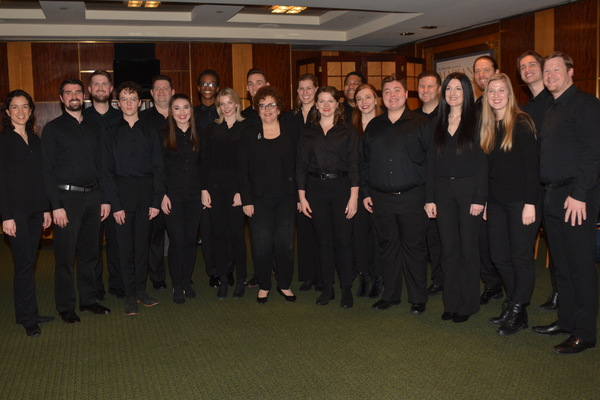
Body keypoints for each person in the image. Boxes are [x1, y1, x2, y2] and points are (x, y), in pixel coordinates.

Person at [531, 52, 600, 354]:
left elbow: (593, 152)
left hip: (576, 196)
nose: (550, 75)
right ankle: (567, 320)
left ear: (571, 72)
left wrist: (581, 193)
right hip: (552, 196)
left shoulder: (586, 104)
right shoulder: (551, 108)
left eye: (556, 70)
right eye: (546, 71)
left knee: (580, 266)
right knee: (561, 266)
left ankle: (584, 333)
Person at [41, 78, 113, 323]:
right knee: (65, 257)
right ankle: (65, 306)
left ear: (84, 96)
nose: (73, 96)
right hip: (66, 199)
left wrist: (103, 198)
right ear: (61, 99)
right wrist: (56, 205)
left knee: (90, 254)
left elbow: (102, 165)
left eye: (77, 92)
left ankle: (89, 300)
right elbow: (46, 171)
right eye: (68, 93)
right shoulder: (53, 129)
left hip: (93, 197)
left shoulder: (95, 127)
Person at [361, 75, 430, 315]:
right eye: (387, 91)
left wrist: (430, 198)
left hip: (413, 196)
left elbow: (431, 164)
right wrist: (367, 192)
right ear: (382, 96)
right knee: (387, 248)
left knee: (414, 248)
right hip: (381, 198)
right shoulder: (374, 126)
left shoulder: (421, 123)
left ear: (406, 93)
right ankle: (390, 295)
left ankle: (418, 297)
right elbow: (366, 162)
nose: (392, 95)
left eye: (397, 90)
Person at [480, 73, 540, 335]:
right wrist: (484, 202)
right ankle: (516, 303)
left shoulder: (522, 122)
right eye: (491, 91)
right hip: (495, 203)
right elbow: (487, 171)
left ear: (509, 94)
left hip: (521, 203)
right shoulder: (488, 125)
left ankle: (517, 308)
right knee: (499, 256)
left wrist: (530, 204)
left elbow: (532, 169)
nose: (496, 95)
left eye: (501, 91)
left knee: (521, 257)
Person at [425, 72, 487, 323]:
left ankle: (468, 304)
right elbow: (429, 165)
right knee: (448, 250)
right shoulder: (437, 123)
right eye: (449, 89)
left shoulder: (478, 120)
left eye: (458, 89)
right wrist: (429, 198)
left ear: (467, 93)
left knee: (468, 249)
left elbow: (483, 164)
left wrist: (479, 199)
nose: (452, 94)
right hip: (442, 192)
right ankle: (451, 303)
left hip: (469, 191)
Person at [297, 86, 359, 308]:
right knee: (323, 241)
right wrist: (302, 197)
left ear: (337, 104)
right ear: (315, 104)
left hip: (342, 188)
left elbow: (354, 166)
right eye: (321, 101)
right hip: (315, 189)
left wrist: (354, 197)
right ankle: (327, 288)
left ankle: (346, 289)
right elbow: (301, 166)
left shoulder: (348, 131)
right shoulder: (308, 132)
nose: (325, 105)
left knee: (343, 241)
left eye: (330, 101)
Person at [106, 81, 165, 315]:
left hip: (146, 193)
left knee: (142, 246)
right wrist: (115, 205)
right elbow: (106, 171)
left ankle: (141, 290)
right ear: (118, 103)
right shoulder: (110, 132)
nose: (129, 103)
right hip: (122, 194)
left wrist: (155, 200)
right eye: (124, 99)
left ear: (139, 102)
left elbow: (159, 167)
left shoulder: (150, 131)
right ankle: (129, 295)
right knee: (124, 249)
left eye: (133, 99)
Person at [0, 90, 53, 337]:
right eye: (15, 107)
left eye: (25, 107)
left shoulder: (35, 140)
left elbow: (40, 179)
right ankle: (27, 318)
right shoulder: (4, 141)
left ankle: (30, 311)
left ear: (31, 111)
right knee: (23, 266)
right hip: (16, 214)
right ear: (7, 112)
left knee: (29, 264)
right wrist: (5, 216)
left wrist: (45, 209)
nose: (20, 112)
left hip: (35, 211)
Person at [239, 86, 299, 304]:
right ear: (257, 108)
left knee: (285, 244)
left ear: (279, 107)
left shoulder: (291, 132)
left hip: (286, 199)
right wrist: (246, 200)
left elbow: (298, 166)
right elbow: (243, 169)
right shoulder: (248, 134)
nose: (267, 109)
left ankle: (284, 284)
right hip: (258, 200)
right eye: (262, 105)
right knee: (261, 244)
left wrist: (300, 197)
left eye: (271, 104)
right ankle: (264, 285)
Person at [517, 50, 559, 312]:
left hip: (556, 185)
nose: (528, 69)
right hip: (532, 186)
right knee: (525, 243)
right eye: (523, 67)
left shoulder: (556, 102)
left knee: (557, 244)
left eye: (533, 64)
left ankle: (559, 291)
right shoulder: (525, 109)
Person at [202, 88, 249, 299]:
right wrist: (205, 189)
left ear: (237, 104)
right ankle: (223, 279)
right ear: (218, 107)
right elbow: (205, 161)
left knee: (237, 236)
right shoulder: (212, 129)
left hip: (237, 189)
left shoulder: (247, 127)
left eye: (229, 103)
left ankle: (240, 280)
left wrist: (242, 191)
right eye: (222, 104)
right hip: (215, 188)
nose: (226, 107)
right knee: (219, 235)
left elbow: (249, 164)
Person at [83, 69, 124, 301]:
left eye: (104, 84)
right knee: (92, 245)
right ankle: (95, 288)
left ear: (110, 90)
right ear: (89, 90)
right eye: (95, 84)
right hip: (91, 190)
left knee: (117, 242)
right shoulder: (83, 118)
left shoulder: (120, 119)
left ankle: (118, 285)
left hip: (117, 190)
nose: (99, 88)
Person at [161, 94, 202, 304]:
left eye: (186, 108)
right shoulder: (164, 135)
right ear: (171, 112)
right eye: (177, 108)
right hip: (172, 197)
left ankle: (186, 280)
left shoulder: (198, 134)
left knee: (190, 241)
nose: (182, 112)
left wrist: (204, 190)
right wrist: (163, 194)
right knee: (177, 242)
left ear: (191, 111)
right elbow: (158, 169)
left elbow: (204, 166)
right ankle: (177, 285)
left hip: (194, 196)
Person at [281, 73, 321, 292]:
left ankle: (322, 274)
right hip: (297, 179)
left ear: (316, 89)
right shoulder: (289, 117)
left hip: (320, 178)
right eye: (301, 89)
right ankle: (307, 275)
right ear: (297, 92)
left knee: (321, 230)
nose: (305, 92)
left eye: (309, 88)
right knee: (304, 230)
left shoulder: (325, 113)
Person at [473, 55, 503, 305]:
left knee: (499, 245)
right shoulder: (475, 107)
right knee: (482, 242)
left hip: (502, 189)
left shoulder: (508, 111)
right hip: (478, 185)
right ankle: (492, 285)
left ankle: (508, 290)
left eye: (486, 70)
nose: (481, 75)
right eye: (478, 71)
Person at [140, 75, 174, 291]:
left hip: (180, 184)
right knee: (155, 236)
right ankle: (158, 277)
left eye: (165, 88)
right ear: (151, 94)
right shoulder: (143, 119)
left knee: (179, 234)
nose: (161, 92)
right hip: (154, 186)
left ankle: (181, 276)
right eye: (157, 88)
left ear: (172, 91)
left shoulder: (183, 114)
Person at [350, 83, 383, 299]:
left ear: (376, 99)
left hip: (379, 189)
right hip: (356, 189)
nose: (364, 102)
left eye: (368, 97)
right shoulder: (350, 128)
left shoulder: (385, 124)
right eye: (360, 98)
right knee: (359, 236)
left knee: (378, 236)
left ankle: (379, 277)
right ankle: (363, 276)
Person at [414, 71, 444, 296]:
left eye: (430, 86)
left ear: (439, 89)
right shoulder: (412, 117)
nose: (425, 90)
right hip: (416, 185)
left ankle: (440, 278)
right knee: (420, 236)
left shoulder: (446, 116)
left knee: (437, 236)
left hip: (438, 185)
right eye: (421, 86)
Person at [193, 69, 221, 288]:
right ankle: (213, 271)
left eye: (212, 84)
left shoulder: (225, 112)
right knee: (208, 229)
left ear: (218, 88)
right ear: (198, 88)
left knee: (228, 228)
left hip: (225, 179)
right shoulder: (190, 114)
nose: (207, 87)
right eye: (204, 84)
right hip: (200, 179)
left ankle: (227, 268)